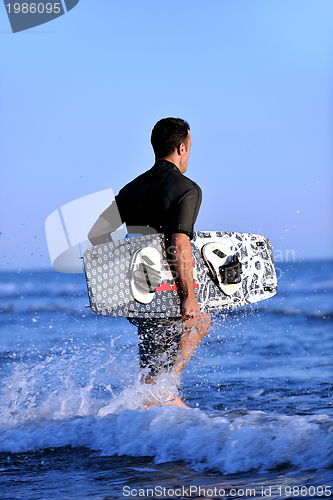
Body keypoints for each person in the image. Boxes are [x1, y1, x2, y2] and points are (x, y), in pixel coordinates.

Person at [88, 118, 211, 408]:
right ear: (182, 147)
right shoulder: (187, 189)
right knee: (198, 321)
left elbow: (97, 234)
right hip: (168, 288)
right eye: (190, 148)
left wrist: (125, 279)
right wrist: (188, 297)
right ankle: (163, 397)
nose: (190, 154)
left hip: (142, 291)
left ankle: (149, 414)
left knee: (155, 365)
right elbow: (179, 243)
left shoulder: (132, 189)